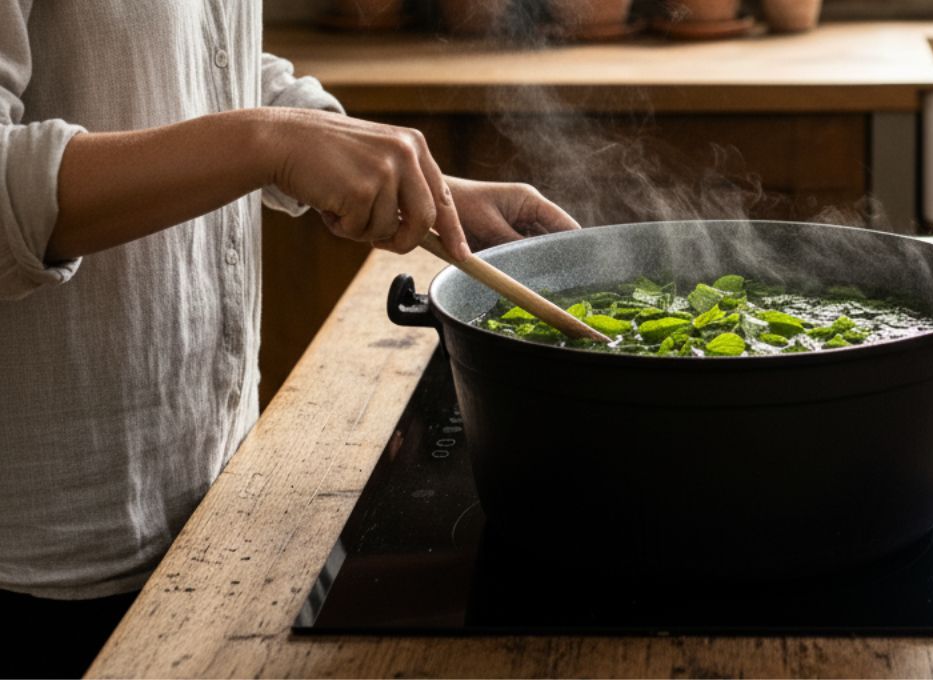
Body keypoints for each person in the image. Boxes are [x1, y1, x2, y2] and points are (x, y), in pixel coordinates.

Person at [0, 2, 580, 677]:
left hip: (211, 497)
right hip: (45, 557)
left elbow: (210, 61)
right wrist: (270, 144)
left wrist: (422, 189)